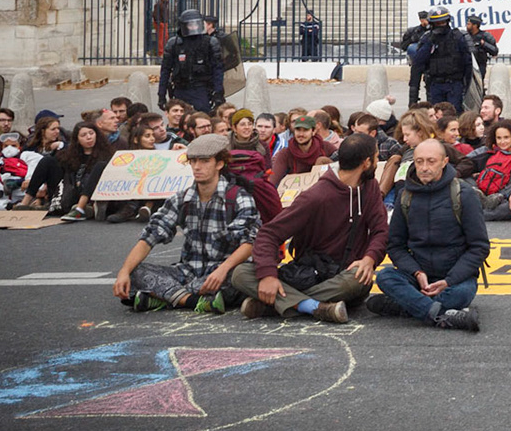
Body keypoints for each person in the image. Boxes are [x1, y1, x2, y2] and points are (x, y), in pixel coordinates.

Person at [232, 133, 387, 323]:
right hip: (309, 272)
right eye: (377, 157)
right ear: (366, 162)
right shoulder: (315, 196)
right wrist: (268, 276)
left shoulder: (370, 187)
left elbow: (380, 230)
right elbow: (268, 234)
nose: (378, 160)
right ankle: (313, 307)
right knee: (241, 273)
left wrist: (369, 259)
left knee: (359, 278)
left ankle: (275, 304)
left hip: (343, 277)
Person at [112, 134, 260, 313]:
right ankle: (194, 301)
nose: (197, 167)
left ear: (219, 164)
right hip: (188, 272)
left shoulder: (238, 197)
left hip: (225, 272)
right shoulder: (181, 199)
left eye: (204, 161)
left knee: (240, 276)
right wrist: (124, 272)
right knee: (135, 272)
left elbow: (250, 243)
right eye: (193, 161)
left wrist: (222, 270)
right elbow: (150, 235)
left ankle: (162, 297)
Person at [369, 139, 489, 331]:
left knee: (461, 294)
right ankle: (440, 314)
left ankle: (408, 304)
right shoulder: (405, 196)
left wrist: (448, 280)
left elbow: (479, 247)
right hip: (418, 277)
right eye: (419, 162)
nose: (424, 167)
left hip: (453, 278)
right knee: (385, 276)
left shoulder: (463, 194)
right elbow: (395, 245)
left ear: (444, 162)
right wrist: (417, 272)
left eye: (431, 161)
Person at [158, 10, 225, 114]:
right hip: (180, 89)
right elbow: (165, 70)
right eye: (190, 25)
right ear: (184, 26)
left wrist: (218, 93)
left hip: (202, 89)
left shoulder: (210, 42)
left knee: (202, 119)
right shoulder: (174, 44)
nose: (193, 28)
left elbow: (218, 70)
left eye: (196, 24)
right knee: (180, 119)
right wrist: (161, 95)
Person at [411, 10, 474, 110]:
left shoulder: (458, 37)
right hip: (435, 85)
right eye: (437, 23)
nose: (440, 26)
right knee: (436, 115)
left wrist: (466, 89)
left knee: (454, 114)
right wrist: (413, 99)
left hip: (454, 85)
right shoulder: (427, 39)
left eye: (443, 22)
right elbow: (417, 65)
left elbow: (468, 64)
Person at [270, 115, 333, 185]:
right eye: (298, 130)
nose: (301, 134)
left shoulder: (325, 147)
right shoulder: (286, 153)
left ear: (314, 131)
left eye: (305, 130)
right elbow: (273, 179)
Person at [464, 15, 498, 88]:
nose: (467, 26)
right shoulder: (465, 36)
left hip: (479, 65)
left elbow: (495, 51)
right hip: (467, 65)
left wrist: (484, 44)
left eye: (469, 24)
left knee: (478, 85)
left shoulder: (485, 36)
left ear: (475, 25)